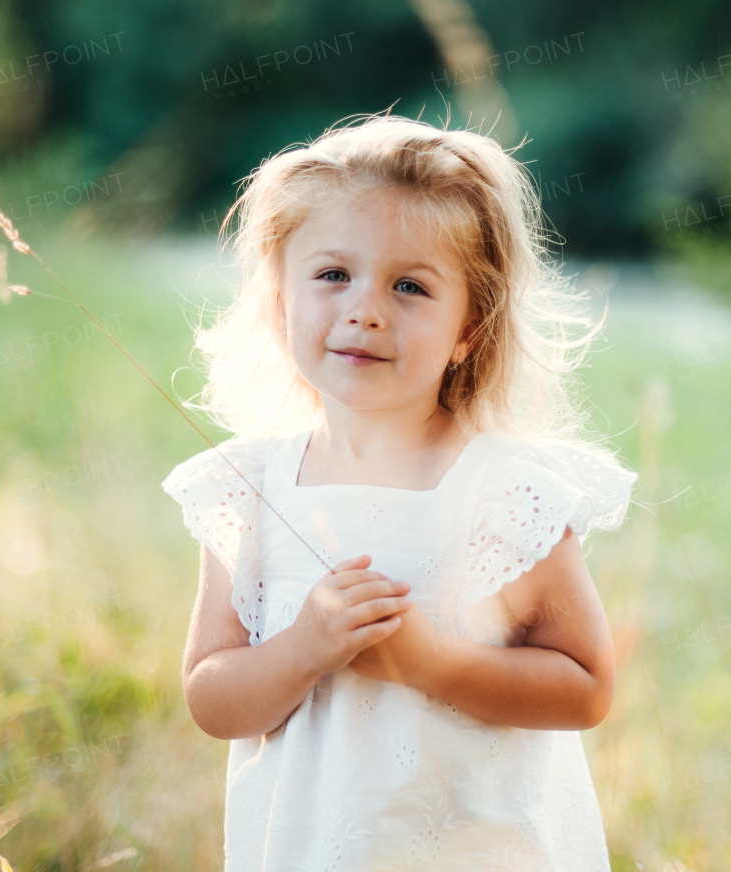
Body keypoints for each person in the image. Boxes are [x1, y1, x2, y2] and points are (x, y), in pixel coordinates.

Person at [162, 112, 638, 871]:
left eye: (410, 286)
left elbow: (583, 688)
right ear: (281, 300)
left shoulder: (503, 493)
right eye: (331, 275)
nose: (364, 308)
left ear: (468, 331)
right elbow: (211, 699)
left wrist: (428, 664)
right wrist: (301, 651)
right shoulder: (249, 490)